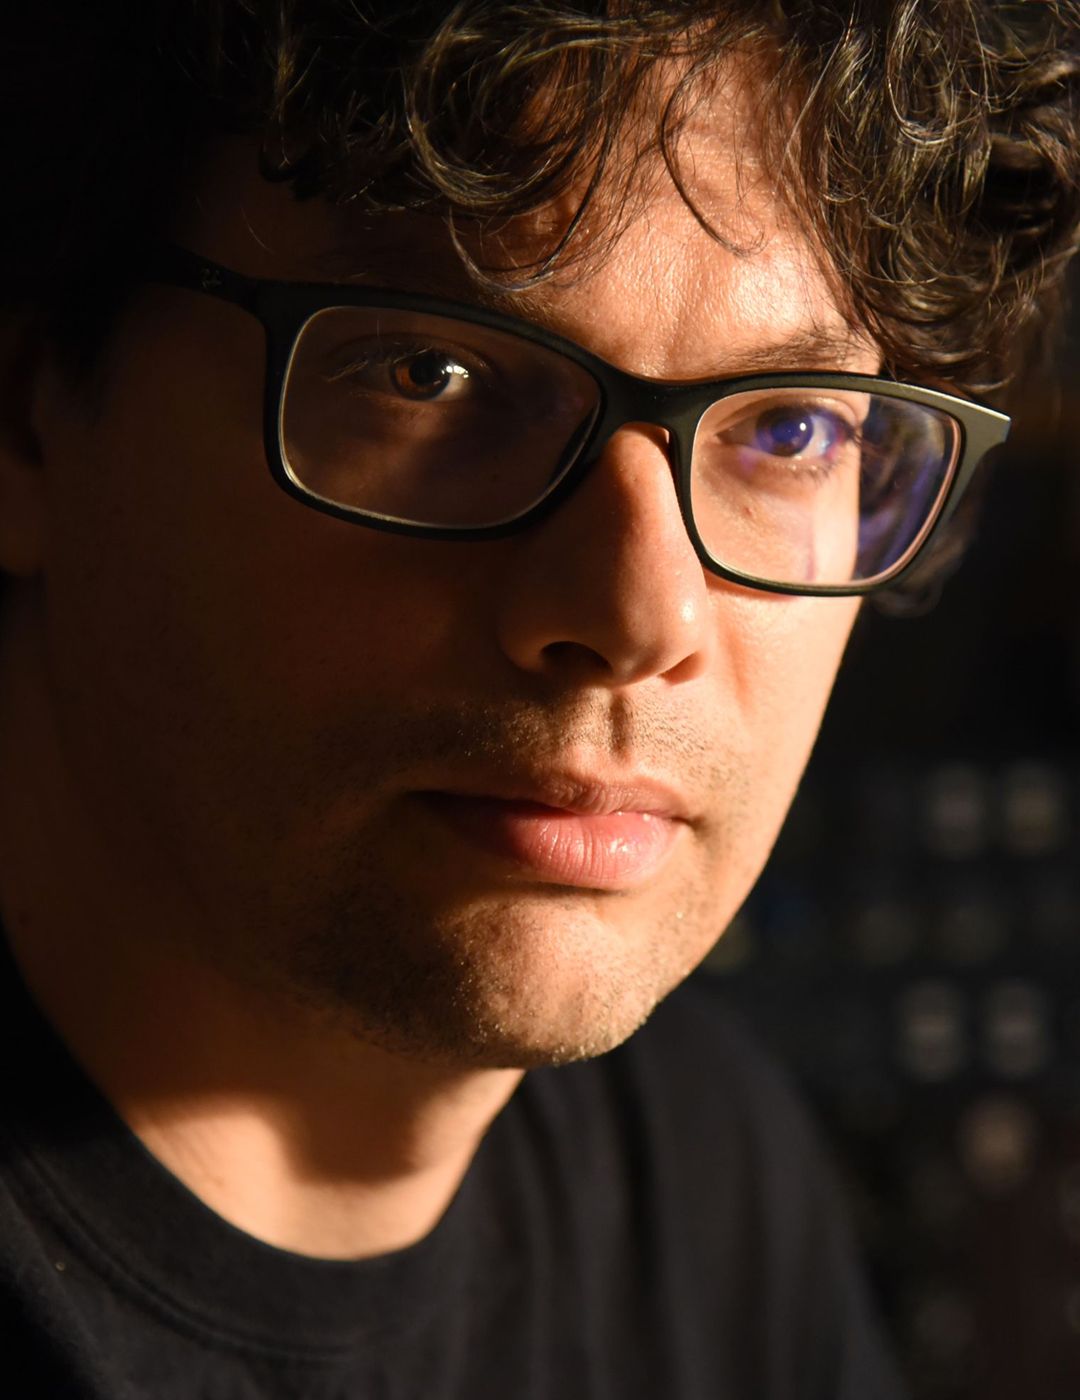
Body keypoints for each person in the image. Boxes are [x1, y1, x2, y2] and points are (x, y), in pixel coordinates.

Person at [0, 2, 1077, 1396]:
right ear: (29, 414)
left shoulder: (705, 1182)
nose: (640, 617)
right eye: (431, 374)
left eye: (789, 427)